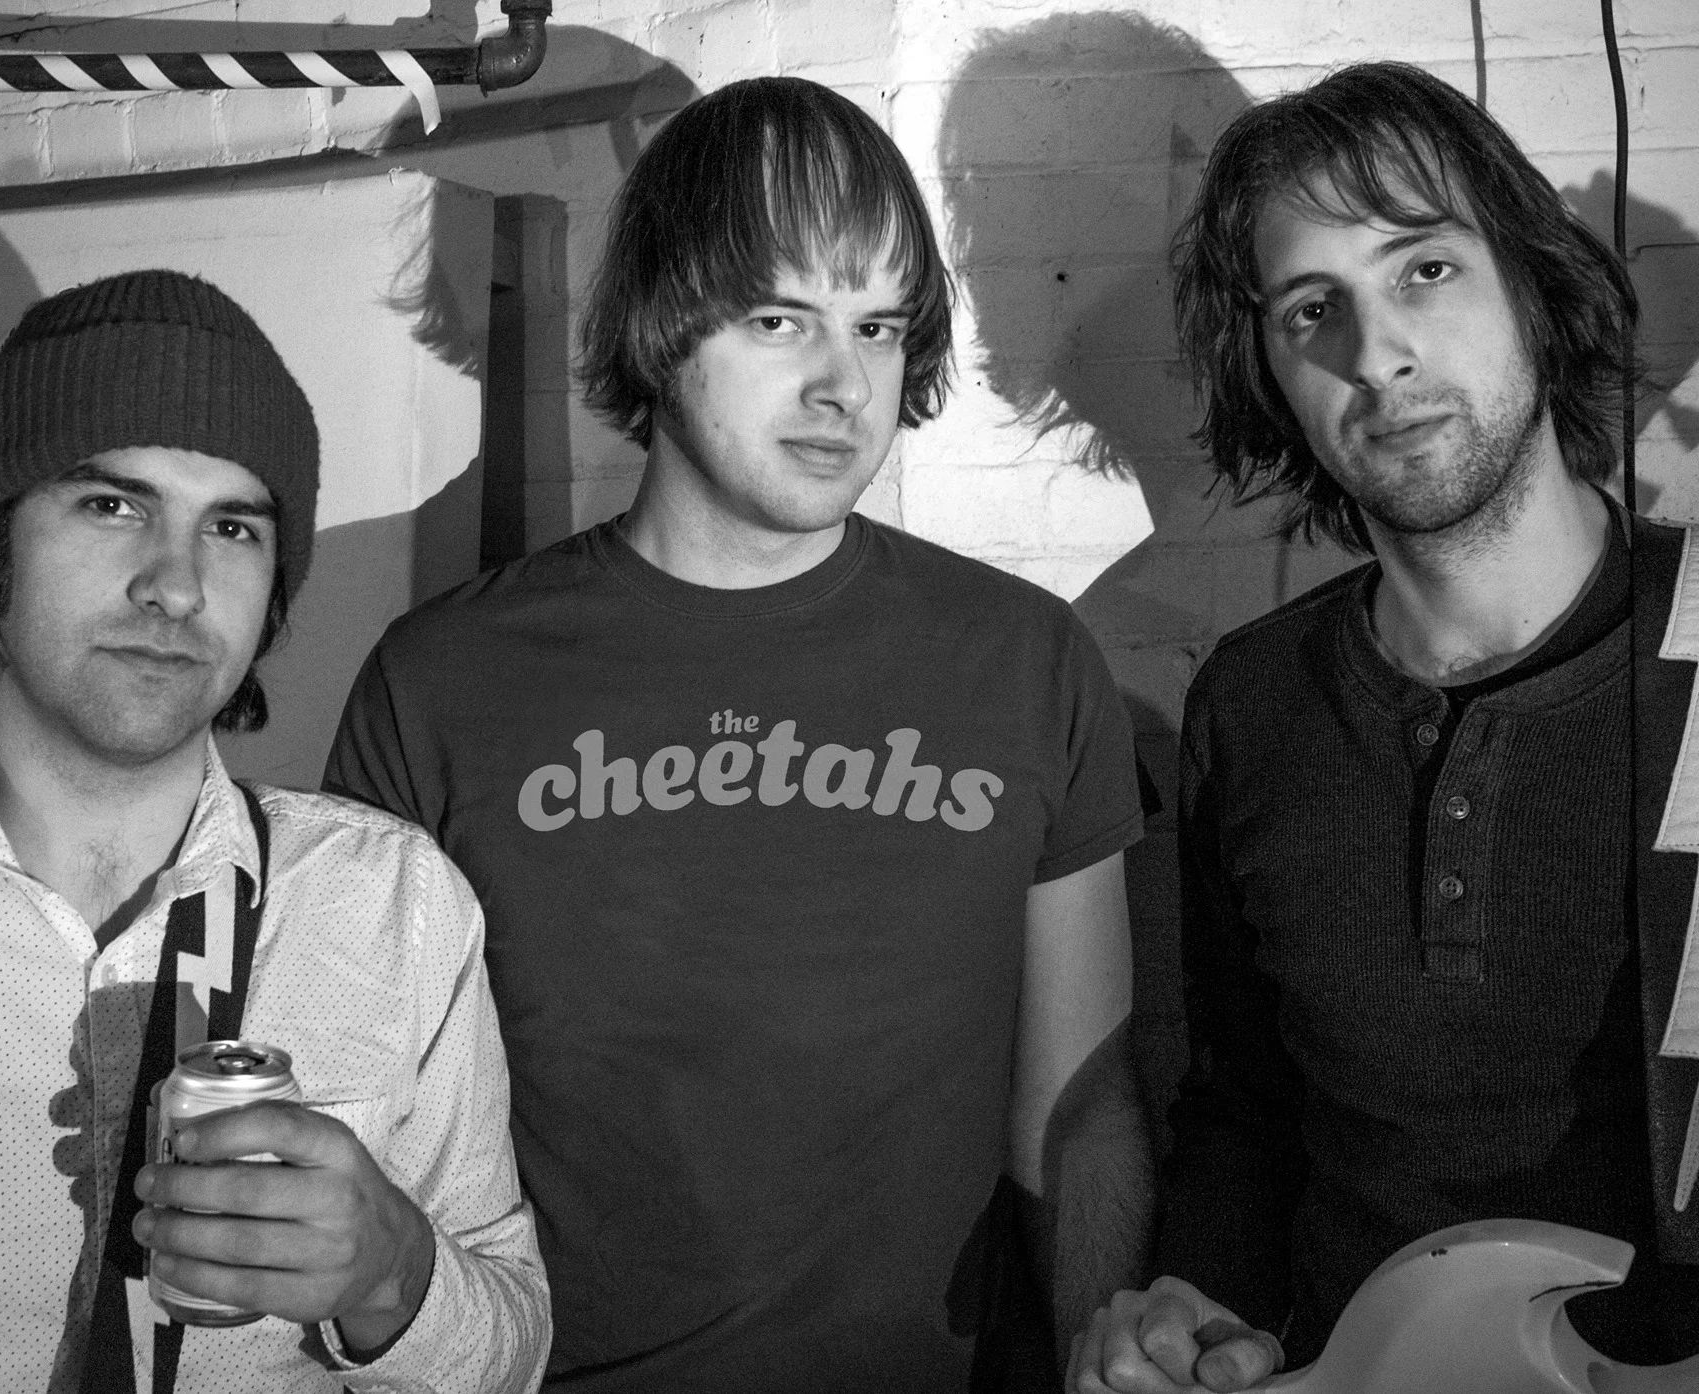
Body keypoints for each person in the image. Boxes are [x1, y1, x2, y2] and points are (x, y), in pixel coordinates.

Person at [325, 77, 1151, 1392]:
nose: (843, 384)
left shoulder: (1024, 660)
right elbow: (366, 1131)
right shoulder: (438, 684)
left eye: (878, 327)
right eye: (781, 318)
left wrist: (1098, 1350)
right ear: (660, 322)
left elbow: (1080, 1106)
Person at [1067, 62, 1699, 1392]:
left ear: (1533, 282)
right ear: (1268, 373)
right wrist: (1196, 1302)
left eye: (1423, 269)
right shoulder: (1247, 700)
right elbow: (1247, 1113)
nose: (1376, 355)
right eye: (1311, 309)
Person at [0, 270, 549, 1393]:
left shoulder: (392, 904)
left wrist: (393, 1271)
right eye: (112, 505)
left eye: (231, 526)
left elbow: (512, 1346)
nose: (176, 585)